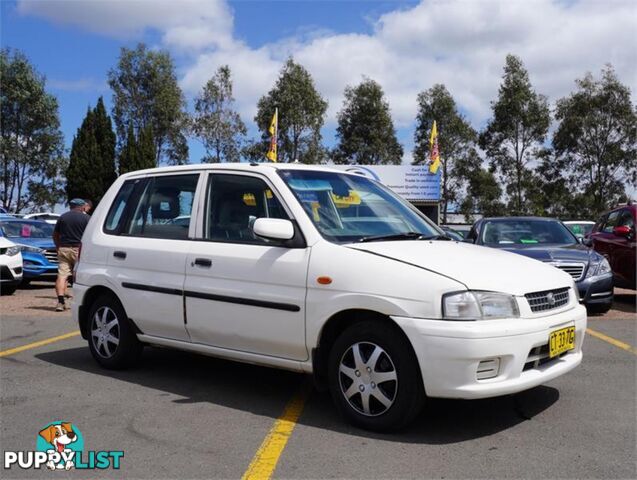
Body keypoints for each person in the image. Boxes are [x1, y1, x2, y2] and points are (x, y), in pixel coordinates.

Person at [53, 199, 90, 311]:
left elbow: (55, 234)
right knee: (80, 276)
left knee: (62, 276)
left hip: (64, 248)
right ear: (82, 207)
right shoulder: (87, 218)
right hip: (79, 250)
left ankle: (60, 302)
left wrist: (58, 246)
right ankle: (81, 302)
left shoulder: (62, 217)